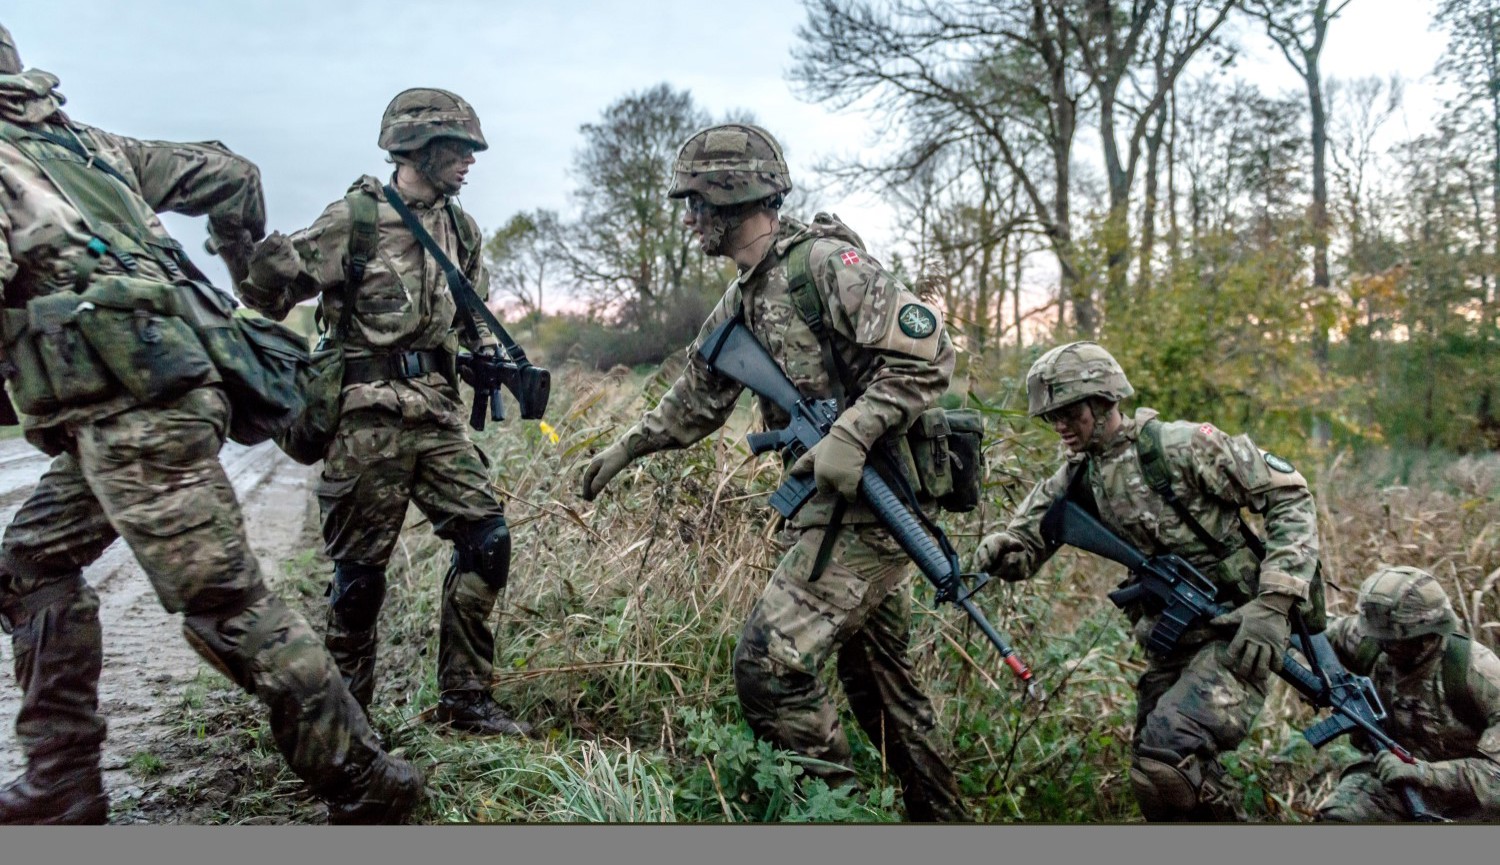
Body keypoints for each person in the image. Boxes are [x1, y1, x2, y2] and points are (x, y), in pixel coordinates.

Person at [0, 22, 419, 824]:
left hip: (137, 412)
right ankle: (63, 775)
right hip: (149, 397)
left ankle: (365, 778)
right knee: (27, 564)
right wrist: (239, 287)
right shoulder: (82, 144)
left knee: (226, 603)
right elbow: (232, 175)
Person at [580, 123, 968, 821]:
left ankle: (836, 818)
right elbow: (694, 399)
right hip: (830, 513)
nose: (688, 218)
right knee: (882, 693)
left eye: (694, 202)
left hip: (878, 513)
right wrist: (624, 451)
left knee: (768, 665)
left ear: (732, 197)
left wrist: (852, 432)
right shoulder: (740, 303)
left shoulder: (826, 265)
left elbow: (929, 351)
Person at [237, 87, 528, 737]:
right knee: (358, 582)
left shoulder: (463, 228)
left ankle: (467, 696)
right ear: (416, 148)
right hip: (366, 420)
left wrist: (491, 360)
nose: (470, 161)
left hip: (438, 415)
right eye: (458, 148)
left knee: (488, 542)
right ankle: (349, 726)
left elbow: (473, 316)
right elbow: (270, 296)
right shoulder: (355, 219)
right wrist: (260, 266)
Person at [975, 341, 1323, 821]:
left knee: (1166, 761)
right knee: (1162, 787)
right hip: (1175, 641)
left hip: (1240, 630)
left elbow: (1290, 495)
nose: (1058, 425)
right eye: (1049, 416)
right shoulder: (1076, 477)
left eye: (1068, 412)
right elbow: (1024, 546)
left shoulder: (1180, 446)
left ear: (1103, 402)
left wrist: (1275, 602)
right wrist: (999, 550)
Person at [1315, 565, 1500, 822]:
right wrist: (1311, 674)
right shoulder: (1371, 640)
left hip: (1473, 802)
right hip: (1393, 783)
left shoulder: (1480, 674)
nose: (1383, 647)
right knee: (1338, 820)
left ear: (1425, 635)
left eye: (1392, 641)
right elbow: (1313, 631)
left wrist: (1423, 772)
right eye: (1380, 638)